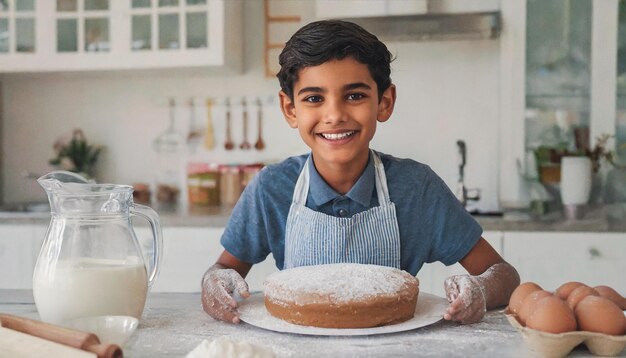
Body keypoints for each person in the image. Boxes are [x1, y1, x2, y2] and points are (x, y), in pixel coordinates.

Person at [201, 20, 520, 325]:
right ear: (290, 109)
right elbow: (222, 271)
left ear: (384, 102)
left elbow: (502, 274)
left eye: (354, 96)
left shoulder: (417, 189)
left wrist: (480, 289)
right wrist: (214, 283)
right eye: (314, 98)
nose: (335, 115)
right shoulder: (273, 188)